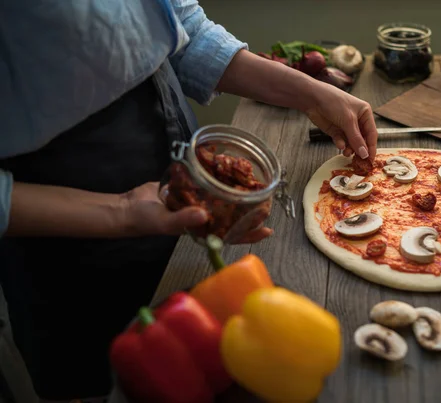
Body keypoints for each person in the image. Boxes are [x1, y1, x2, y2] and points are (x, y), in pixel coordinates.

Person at [0, 0, 378, 401]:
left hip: (174, 162)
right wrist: (122, 211)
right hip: (66, 223)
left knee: (217, 367)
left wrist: (311, 94)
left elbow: (178, 27)